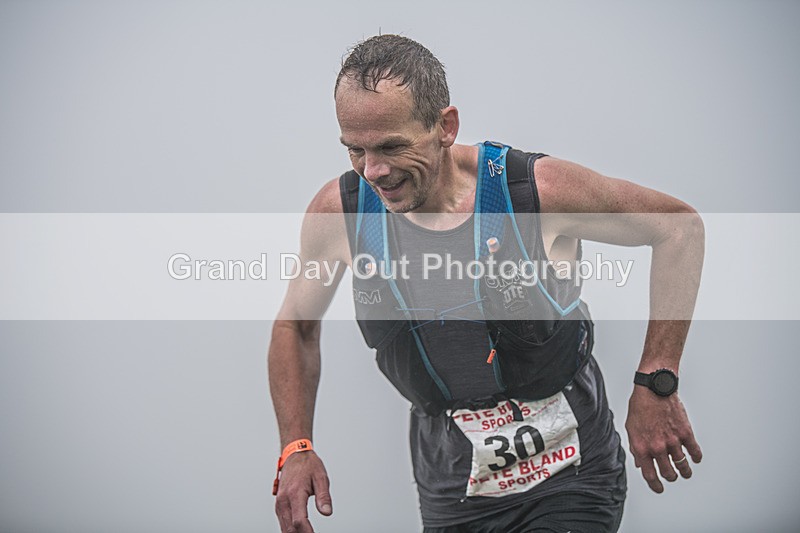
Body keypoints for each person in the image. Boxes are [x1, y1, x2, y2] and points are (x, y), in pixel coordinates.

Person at [268, 34, 704, 533]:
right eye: (356, 151)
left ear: (446, 127)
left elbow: (677, 227)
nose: (374, 171)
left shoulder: (534, 193)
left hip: (572, 478)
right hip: (453, 492)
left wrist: (657, 382)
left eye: (391, 147)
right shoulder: (340, 215)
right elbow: (295, 328)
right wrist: (295, 446)